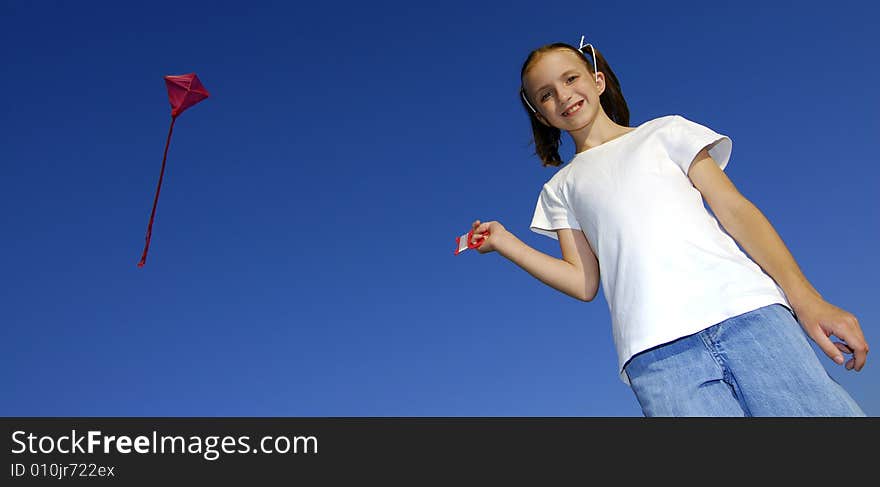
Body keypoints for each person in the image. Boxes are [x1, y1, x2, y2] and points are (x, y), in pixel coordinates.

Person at [467, 36, 868, 416]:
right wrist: (505, 242)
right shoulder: (560, 188)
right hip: (656, 356)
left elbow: (735, 210)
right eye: (546, 94)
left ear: (597, 79)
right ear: (541, 114)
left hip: (751, 317)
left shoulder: (666, 132)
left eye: (570, 78)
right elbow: (583, 282)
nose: (562, 95)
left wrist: (807, 299)